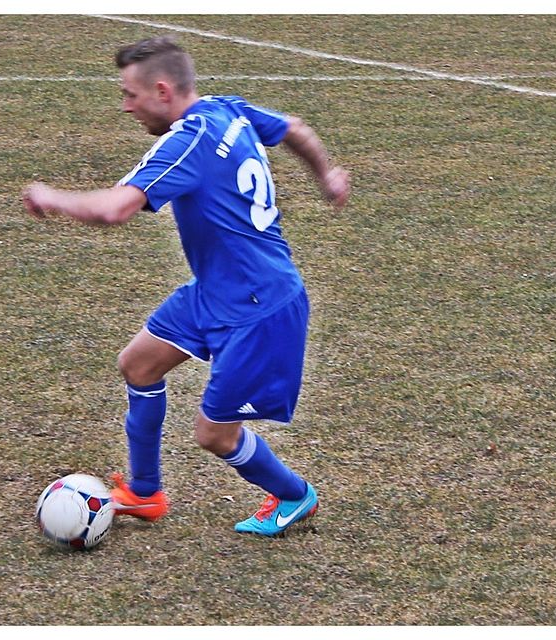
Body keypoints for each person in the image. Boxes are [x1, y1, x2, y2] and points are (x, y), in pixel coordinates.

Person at [23, 36, 350, 537]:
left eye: (130, 94)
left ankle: (293, 494)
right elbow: (295, 129)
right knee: (138, 364)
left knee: (215, 435)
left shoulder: (187, 142)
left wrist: (52, 197)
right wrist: (326, 175)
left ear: (161, 90)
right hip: (215, 291)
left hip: (259, 306)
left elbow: (116, 209)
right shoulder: (228, 110)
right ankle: (145, 493)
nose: (126, 106)